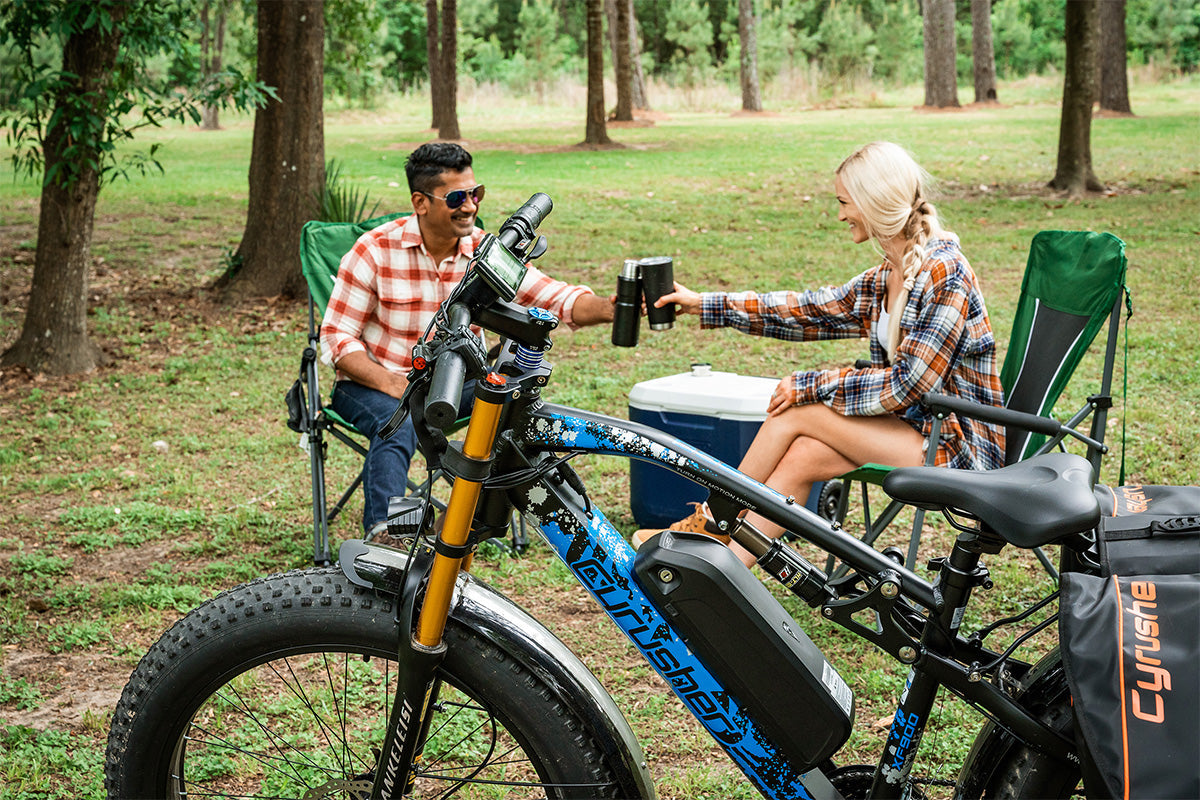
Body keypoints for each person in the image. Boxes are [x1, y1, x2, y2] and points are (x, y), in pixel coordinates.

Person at [632, 141, 1005, 566]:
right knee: (803, 455)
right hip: (916, 430)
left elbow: (909, 384)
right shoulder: (890, 272)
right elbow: (808, 312)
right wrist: (705, 303)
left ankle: (710, 522)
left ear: (874, 201)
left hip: (958, 447)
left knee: (797, 411)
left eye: (845, 202)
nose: (841, 214)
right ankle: (721, 572)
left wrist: (812, 384)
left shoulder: (944, 271)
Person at [321, 141, 615, 538]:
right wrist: (392, 383)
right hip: (372, 384)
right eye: (457, 197)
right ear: (420, 203)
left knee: (511, 405)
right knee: (401, 420)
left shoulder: (484, 254)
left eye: (475, 194)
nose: (470, 206)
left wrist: (611, 309)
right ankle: (390, 536)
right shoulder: (373, 251)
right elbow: (337, 339)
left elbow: (554, 297)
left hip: (454, 383)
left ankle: (469, 522)